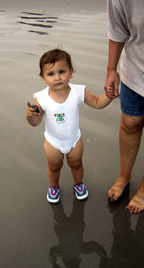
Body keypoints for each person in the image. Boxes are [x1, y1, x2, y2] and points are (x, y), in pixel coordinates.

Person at [26, 48, 114, 203]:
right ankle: (54, 187)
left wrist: (108, 96)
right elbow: (35, 122)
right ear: (43, 77)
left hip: (74, 140)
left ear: (71, 72)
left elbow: (97, 103)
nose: (57, 77)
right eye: (51, 74)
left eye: (62, 71)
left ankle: (78, 184)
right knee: (54, 167)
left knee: (77, 164)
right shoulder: (41, 98)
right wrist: (30, 115)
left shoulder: (78, 91)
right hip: (53, 142)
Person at [104, 0, 144, 214]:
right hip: (135, 69)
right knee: (130, 123)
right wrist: (112, 69)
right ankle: (124, 176)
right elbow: (118, 29)